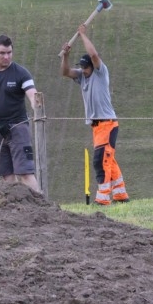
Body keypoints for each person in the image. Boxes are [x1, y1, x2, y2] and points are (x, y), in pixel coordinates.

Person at [61, 24, 129, 205]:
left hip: (107, 123)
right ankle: (121, 195)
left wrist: (83, 35)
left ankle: (103, 198)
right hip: (96, 127)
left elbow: (94, 55)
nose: (83, 70)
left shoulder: (100, 73)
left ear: (93, 67)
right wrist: (66, 55)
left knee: (101, 161)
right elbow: (65, 72)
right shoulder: (82, 77)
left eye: (85, 67)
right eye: (81, 67)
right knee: (108, 159)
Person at [0, 34, 41, 194]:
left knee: (25, 173)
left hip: (19, 128)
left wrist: (37, 104)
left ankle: (41, 204)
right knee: (6, 176)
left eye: (9, 52)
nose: (6, 56)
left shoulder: (21, 73)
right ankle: (15, 205)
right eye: (2, 53)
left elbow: (32, 94)